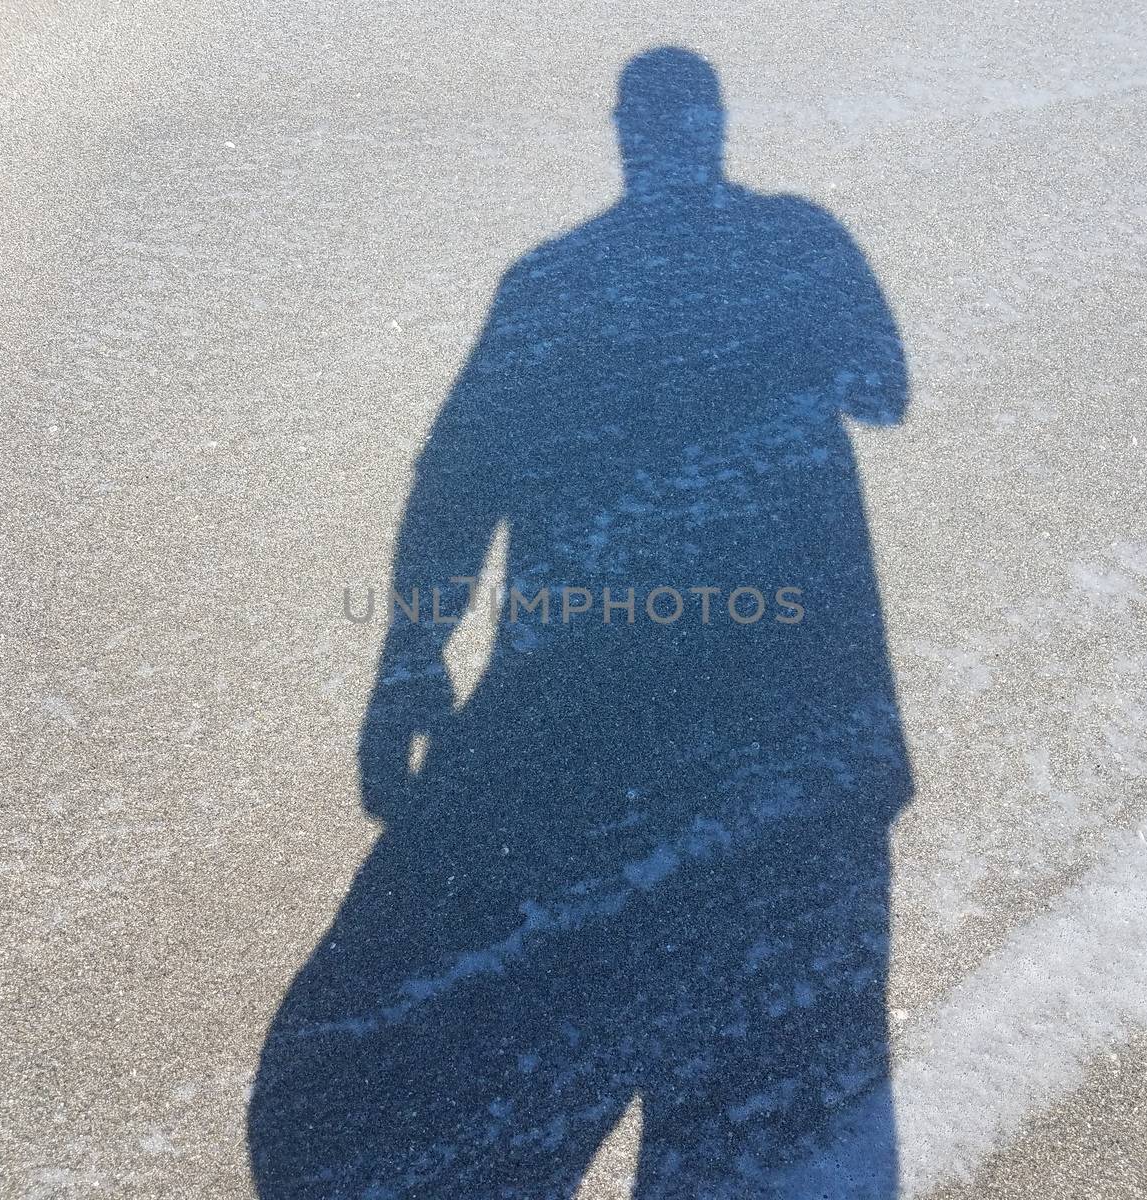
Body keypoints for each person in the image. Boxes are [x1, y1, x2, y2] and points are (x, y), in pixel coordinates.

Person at [249, 46, 912, 1199]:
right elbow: (881, 387)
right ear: (708, 129)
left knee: (537, 1080)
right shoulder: (793, 244)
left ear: (629, 135)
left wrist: (409, 662)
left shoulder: (552, 285)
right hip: (796, 741)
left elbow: (453, 485)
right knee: (766, 1122)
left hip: (600, 748)